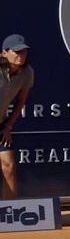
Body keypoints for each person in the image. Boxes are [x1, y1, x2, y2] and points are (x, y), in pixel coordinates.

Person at [0, 34, 34, 200]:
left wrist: (8, 126)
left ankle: (10, 214)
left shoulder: (27, 73)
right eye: (17, 52)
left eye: (24, 52)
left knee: (9, 166)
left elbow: (21, 101)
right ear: (4, 53)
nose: (21, 55)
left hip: (1, 125)